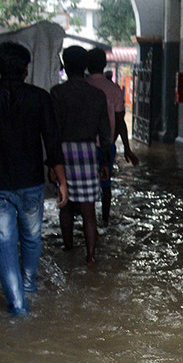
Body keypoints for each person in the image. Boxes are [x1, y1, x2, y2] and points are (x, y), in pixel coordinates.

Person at [0, 41, 68, 316]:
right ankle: (28, 284)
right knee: (32, 237)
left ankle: (18, 306)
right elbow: (52, 141)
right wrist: (62, 180)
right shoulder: (40, 97)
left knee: (4, 243)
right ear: (26, 70)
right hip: (31, 181)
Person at [51, 46, 112, 266]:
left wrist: (52, 163)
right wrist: (104, 161)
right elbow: (105, 133)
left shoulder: (57, 93)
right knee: (88, 210)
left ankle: (68, 248)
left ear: (65, 66)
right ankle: (91, 256)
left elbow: (52, 131)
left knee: (65, 205)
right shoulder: (97, 95)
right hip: (87, 152)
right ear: (85, 66)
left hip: (63, 153)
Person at [86, 47, 139, 226]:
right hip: (106, 146)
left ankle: (88, 220)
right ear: (104, 64)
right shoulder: (114, 89)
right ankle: (105, 221)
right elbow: (120, 121)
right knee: (105, 183)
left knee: (84, 186)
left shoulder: (83, 86)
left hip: (83, 146)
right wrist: (127, 149)